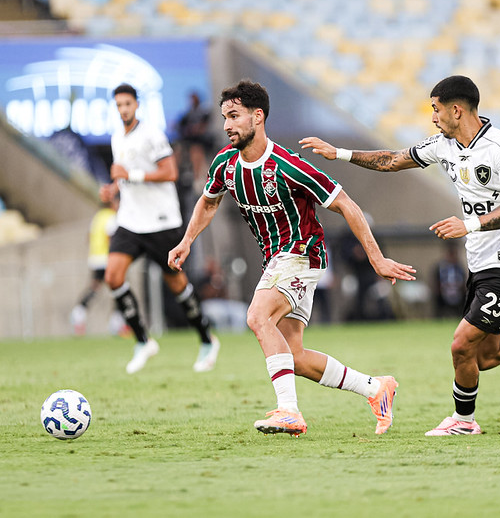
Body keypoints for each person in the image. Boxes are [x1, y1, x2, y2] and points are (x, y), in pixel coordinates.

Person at [300, 75, 500, 437]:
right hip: (480, 264)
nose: (433, 117)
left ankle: (464, 421)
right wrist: (339, 153)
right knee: (485, 356)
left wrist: (469, 225)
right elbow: (393, 160)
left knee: (461, 345)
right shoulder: (443, 145)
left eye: (436, 109)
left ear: (456, 110)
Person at [168, 80, 417, 436]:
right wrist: (187, 241)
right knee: (294, 356)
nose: (227, 125)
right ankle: (376, 388)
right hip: (277, 260)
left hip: (301, 254)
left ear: (258, 116)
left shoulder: (288, 166)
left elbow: (346, 203)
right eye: (224, 117)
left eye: (234, 116)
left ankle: (289, 411)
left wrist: (376, 259)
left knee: (257, 317)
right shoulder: (225, 163)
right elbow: (208, 202)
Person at [99, 83, 219, 374]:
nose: (123, 109)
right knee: (112, 277)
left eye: (127, 104)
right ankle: (143, 341)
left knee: (177, 286)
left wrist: (131, 175)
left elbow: (170, 172)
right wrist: (113, 188)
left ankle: (207, 339)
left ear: (136, 105)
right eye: (119, 105)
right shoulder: (117, 137)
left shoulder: (152, 134)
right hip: (130, 220)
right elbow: (124, 175)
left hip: (160, 222)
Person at [70, 194, 129, 336]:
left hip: (95, 259)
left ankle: (79, 313)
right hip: (107, 259)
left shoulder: (98, 217)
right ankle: (117, 323)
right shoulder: (111, 217)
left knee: (95, 287)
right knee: (119, 287)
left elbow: (89, 237)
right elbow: (111, 239)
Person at [432, 241, 467, 319]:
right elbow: (436, 280)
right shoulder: (440, 267)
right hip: (444, 292)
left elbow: (463, 280)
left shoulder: (459, 267)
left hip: (457, 291)